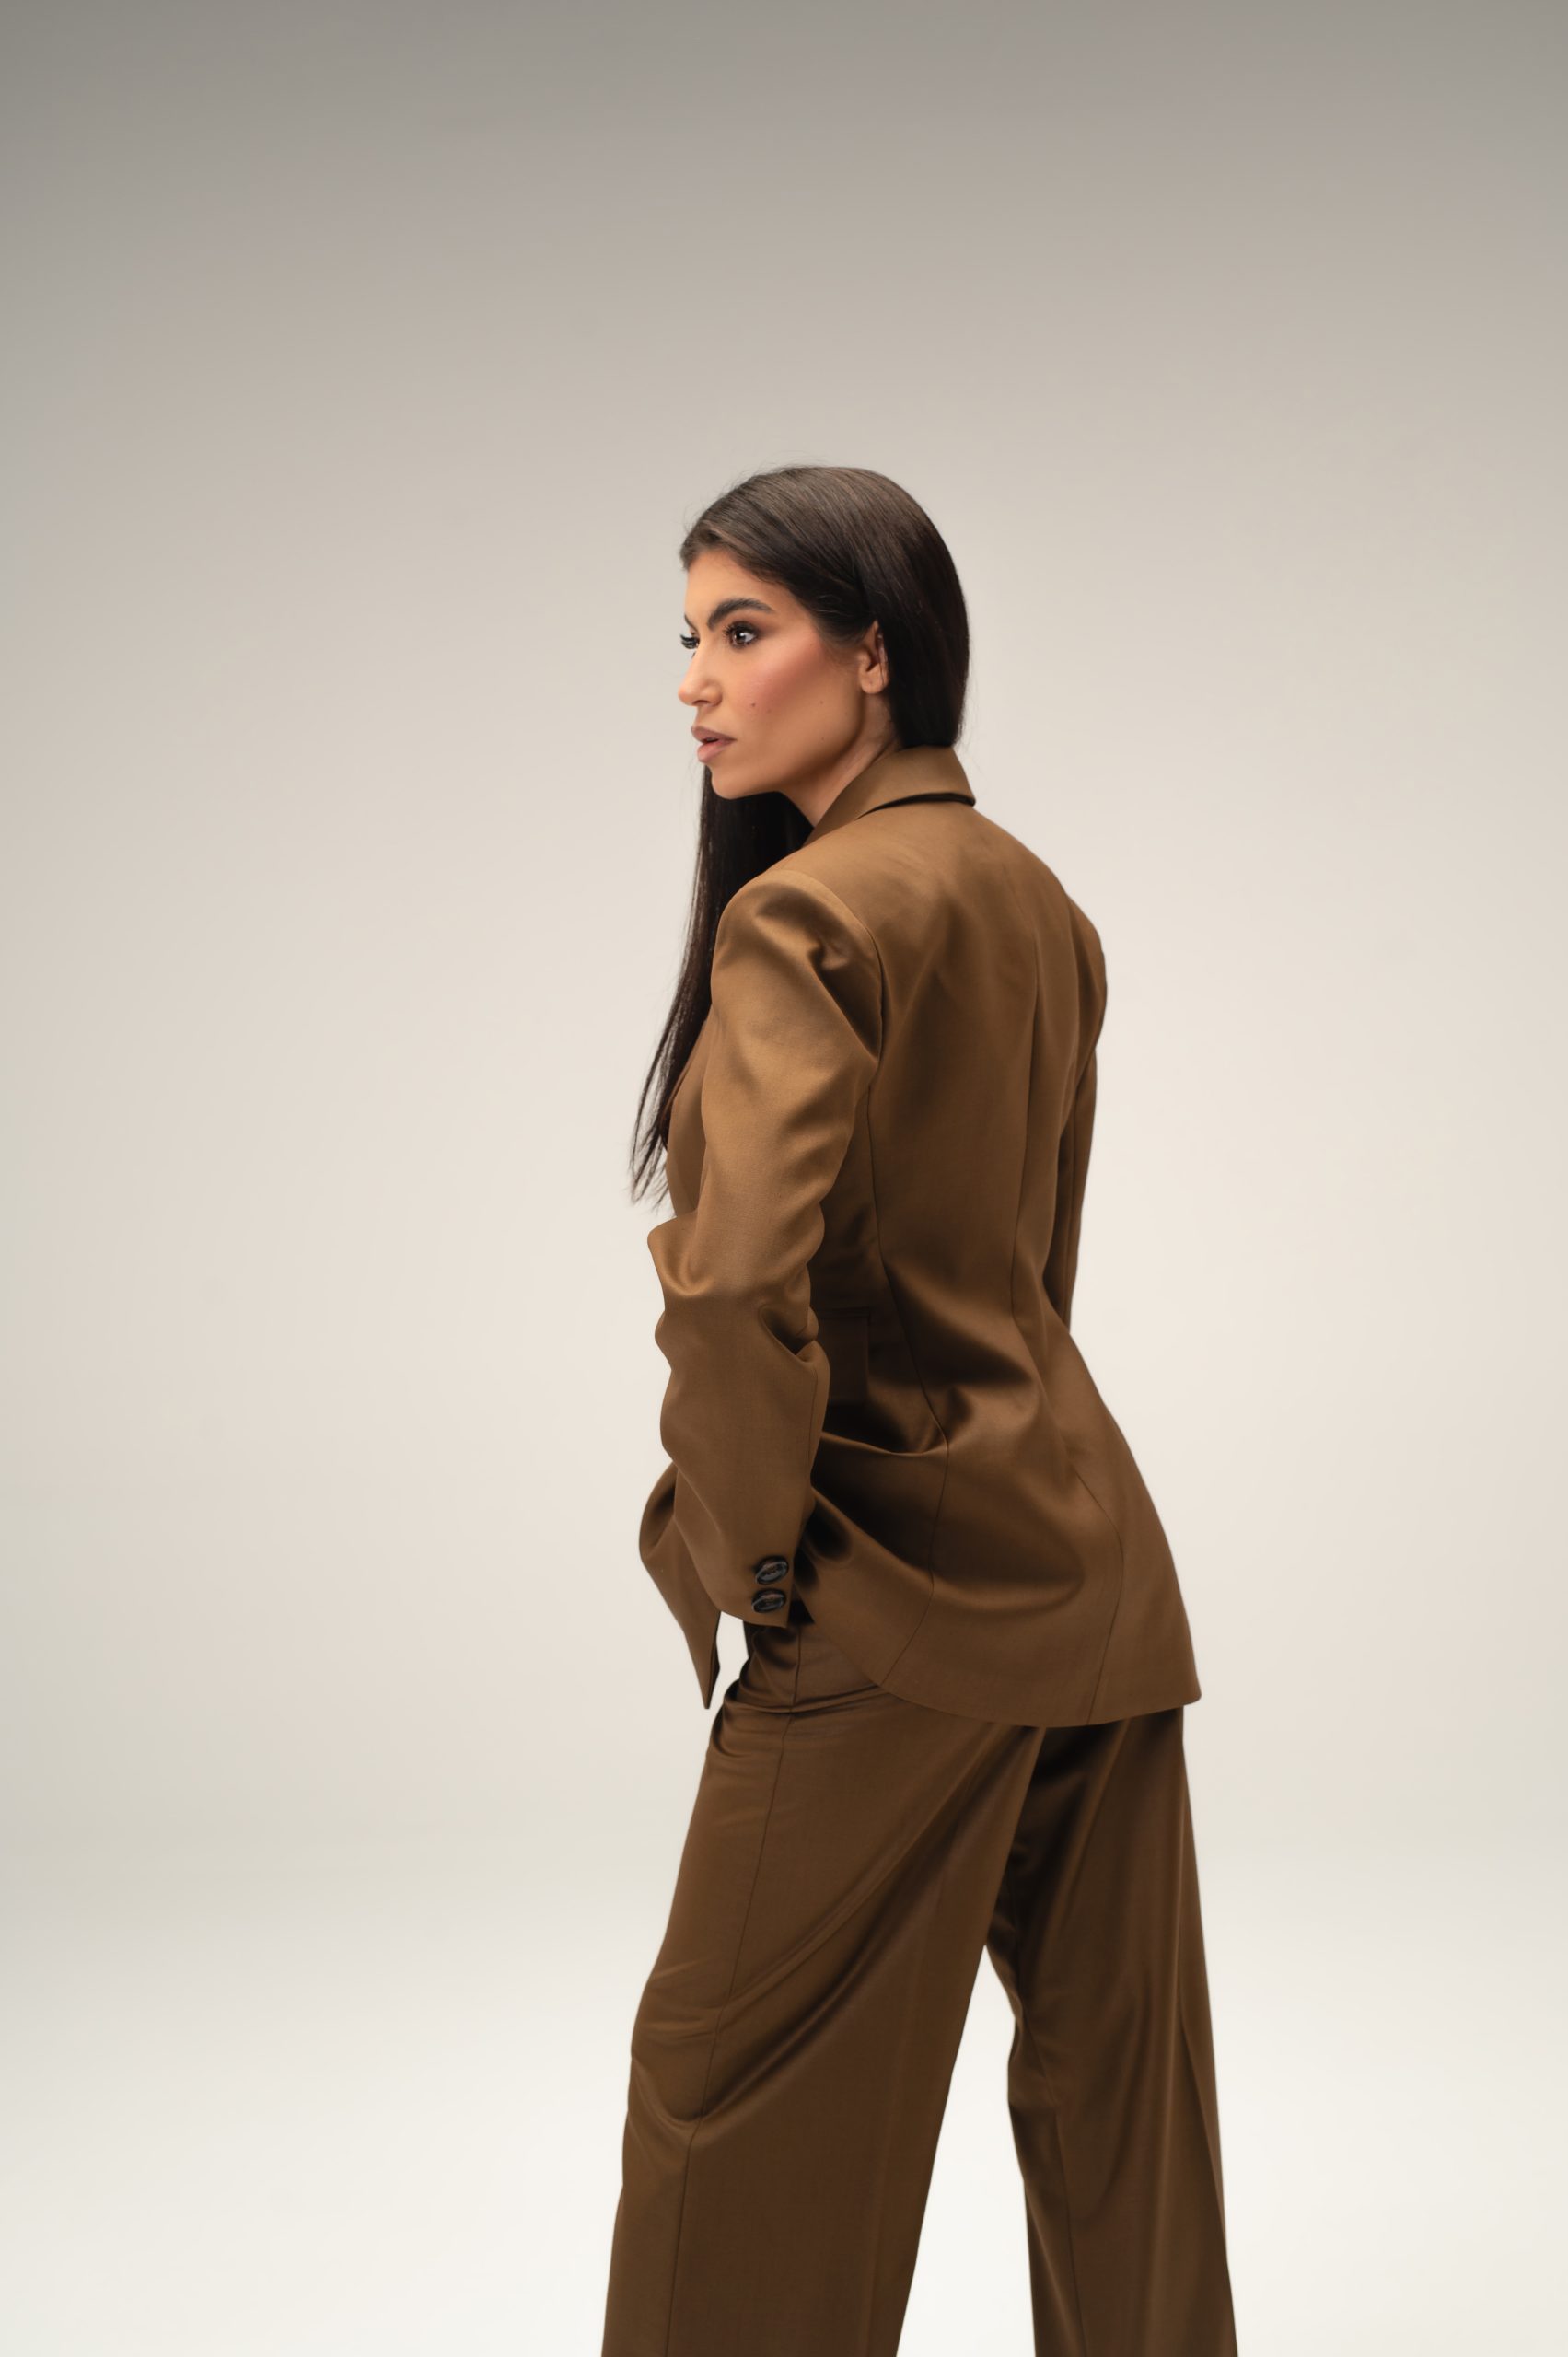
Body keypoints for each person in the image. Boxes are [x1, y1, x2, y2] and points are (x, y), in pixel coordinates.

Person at [601, 464, 1238, 2356]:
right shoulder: (1038, 902)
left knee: (724, 2107)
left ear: (873, 655)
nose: (697, 681)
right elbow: (1034, 1271)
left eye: (743, 630)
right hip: (1090, 1574)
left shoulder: (801, 918)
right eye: (689, 638)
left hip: (889, 1598)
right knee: (1126, 2136)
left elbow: (737, 1294)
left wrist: (758, 1569)